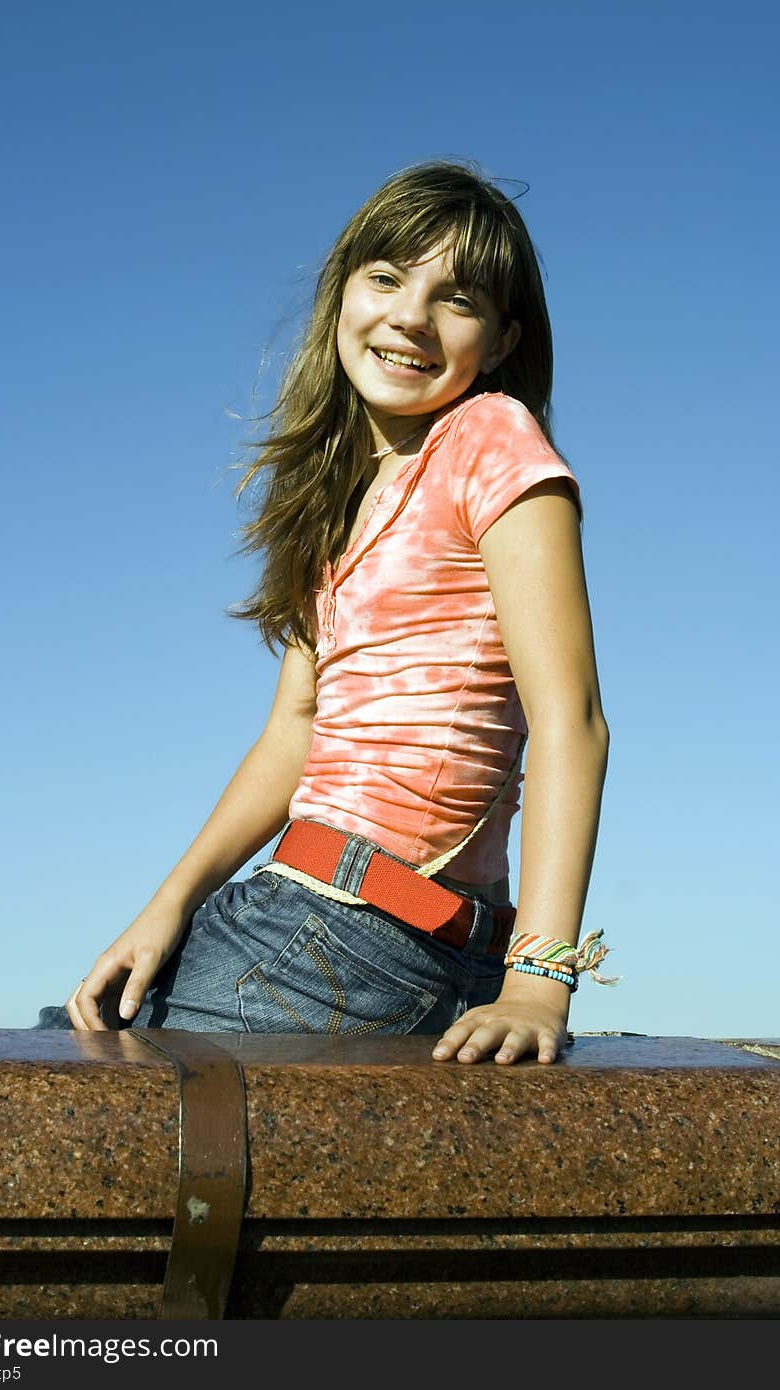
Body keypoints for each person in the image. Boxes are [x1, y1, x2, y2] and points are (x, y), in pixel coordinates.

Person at [36, 160, 612, 1064]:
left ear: (501, 340)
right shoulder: (337, 497)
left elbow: (571, 720)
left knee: (88, 1116)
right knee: (61, 1051)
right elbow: (293, 734)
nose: (410, 315)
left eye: (455, 299)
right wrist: (165, 909)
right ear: (342, 294)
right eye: (385, 277)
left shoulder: (489, 439)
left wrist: (539, 980)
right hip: (289, 906)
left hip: (367, 932)